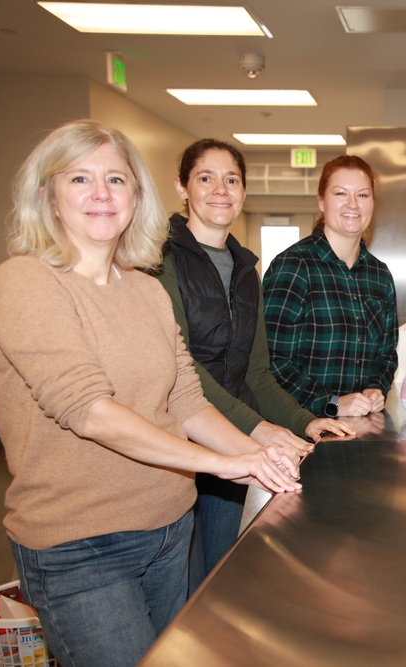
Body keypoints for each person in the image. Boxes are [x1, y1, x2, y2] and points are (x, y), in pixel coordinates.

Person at [0, 119, 303, 667]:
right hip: (80, 547)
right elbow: (88, 411)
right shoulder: (24, 281)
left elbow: (186, 398)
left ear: (136, 196)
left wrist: (253, 454)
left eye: (116, 180)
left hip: (169, 531)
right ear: (49, 194)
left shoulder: (144, 288)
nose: (101, 195)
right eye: (80, 179)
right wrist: (217, 463)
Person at [157, 138, 355, 588]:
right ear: (182, 187)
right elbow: (180, 370)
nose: (220, 190)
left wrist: (307, 422)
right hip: (178, 447)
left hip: (236, 446)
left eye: (232, 180)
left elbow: (256, 372)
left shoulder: (247, 270)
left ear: (244, 191)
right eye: (205, 178)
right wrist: (257, 429)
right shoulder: (160, 260)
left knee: (222, 577)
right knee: (182, 588)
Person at [263, 155, 398, 418]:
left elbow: (386, 354)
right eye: (340, 193)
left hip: (360, 428)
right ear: (321, 202)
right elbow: (272, 362)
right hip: (298, 428)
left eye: (362, 195)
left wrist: (375, 388)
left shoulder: (380, 275)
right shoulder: (294, 266)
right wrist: (331, 402)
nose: (352, 204)